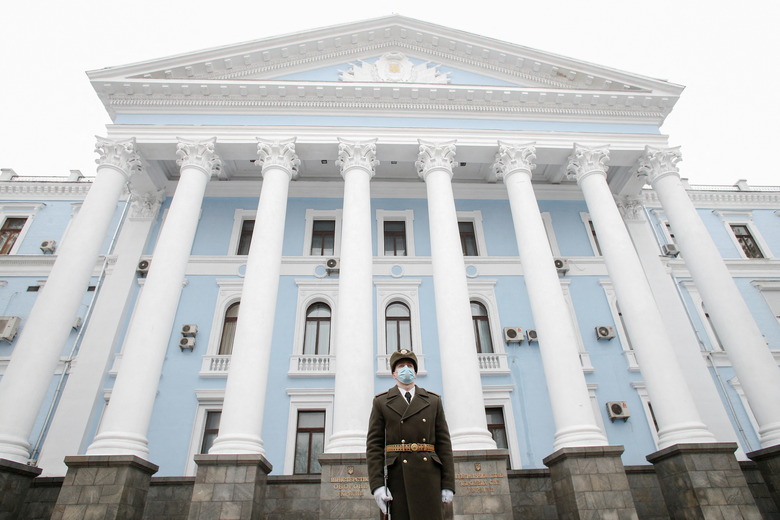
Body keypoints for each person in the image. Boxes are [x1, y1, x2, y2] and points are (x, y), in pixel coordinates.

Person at [366, 349, 455, 520]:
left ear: (415, 372)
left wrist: (448, 484)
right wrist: (377, 485)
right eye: (401, 366)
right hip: (397, 477)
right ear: (393, 373)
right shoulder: (381, 402)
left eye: (409, 366)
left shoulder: (433, 401)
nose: (405, 369)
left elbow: (444, 445)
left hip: (429, 475)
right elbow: (374, 446)